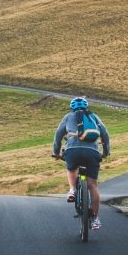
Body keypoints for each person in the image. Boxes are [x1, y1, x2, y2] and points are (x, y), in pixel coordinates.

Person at [52, 96, 111, 230]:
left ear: (72, 107)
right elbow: (105, 135)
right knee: (93, 185)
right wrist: (105, 152)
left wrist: (56, 152)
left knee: (71, 168)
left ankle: (72, 190)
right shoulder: (94, 117)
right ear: (86, 107)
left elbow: (58, 135)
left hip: (73, 151)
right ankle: (95, 219)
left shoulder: (68, 117)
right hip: (92, 153)